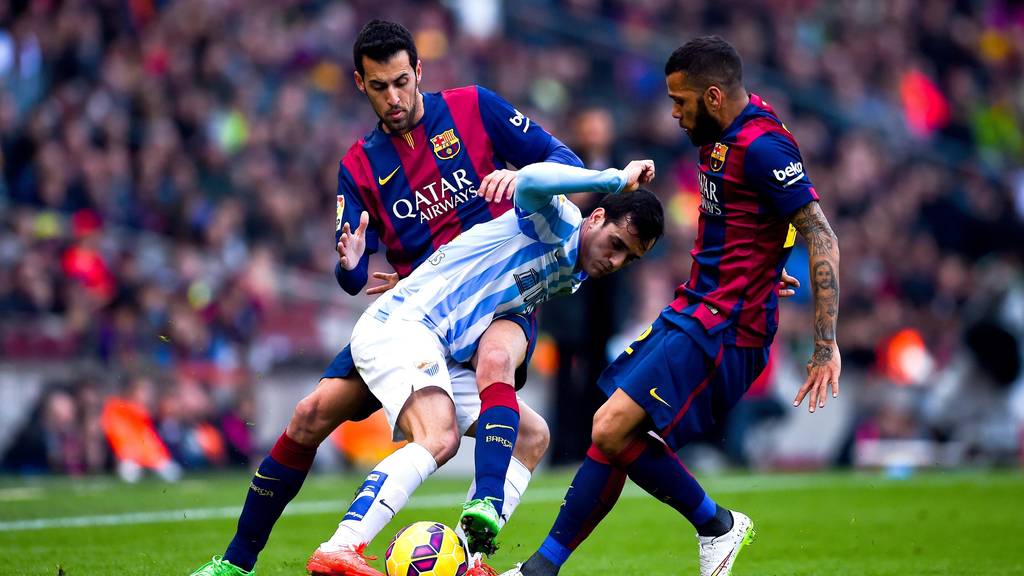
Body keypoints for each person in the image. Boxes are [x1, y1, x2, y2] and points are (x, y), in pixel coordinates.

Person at [190, 19, 583, 576]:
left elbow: (564, 163)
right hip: (416, 320)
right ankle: (234, 564)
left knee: (505, 379)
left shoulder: (475, 107)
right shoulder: (359, 166)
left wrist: (521, 180)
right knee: (308, 416)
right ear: (360, 83)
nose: (394, 98)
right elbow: (351, 276)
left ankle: (470, 552)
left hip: (497, 301)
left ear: (420, 71)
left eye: (403, 81)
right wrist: (349, 262)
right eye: (380, 87)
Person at [499, 36, 842, 576]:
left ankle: (718, 526)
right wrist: (763, 270)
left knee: (612, 427)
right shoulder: (722, 133)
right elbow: (760, 222)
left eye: (680, 101)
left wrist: (825, 345)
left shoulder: (764, 146)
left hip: (725, 328)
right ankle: (541, 568)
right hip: (695, 308)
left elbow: (819, 234)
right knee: (612, 428)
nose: (674, 113)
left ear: (712, 96)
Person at [309, 158, 663, 576]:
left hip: (437, 344)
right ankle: (341, 546)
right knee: (438, 435)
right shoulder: (562, 221)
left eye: (630, 259)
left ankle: (463, 556)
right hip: (402, 326)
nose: (617, 261)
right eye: (618, 244)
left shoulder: (574, 272)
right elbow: (530, 180)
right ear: (597, 217)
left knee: (532, 435)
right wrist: (614, 179)